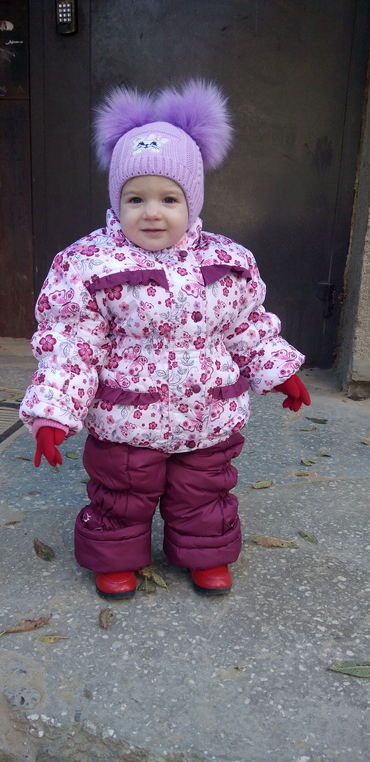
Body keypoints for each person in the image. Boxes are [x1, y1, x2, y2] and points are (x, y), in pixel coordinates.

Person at [20, 80, 311, 600]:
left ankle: (207, 553)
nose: (151, 212)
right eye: (136, 198)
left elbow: (247, 325)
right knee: (122, 493)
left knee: (204, 490)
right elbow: (70, 344)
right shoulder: (88, 264)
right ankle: (115, 557)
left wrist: (279, 371)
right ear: (116, 201)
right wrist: (53, 412)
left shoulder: (227, 261)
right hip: (127, 419)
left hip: (208, 414)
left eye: (168, 199)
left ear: (192, 201)